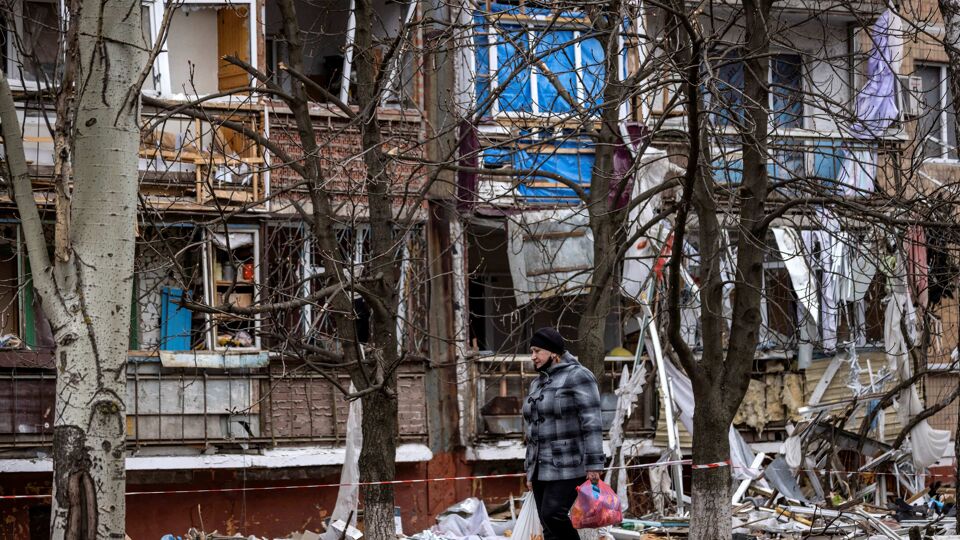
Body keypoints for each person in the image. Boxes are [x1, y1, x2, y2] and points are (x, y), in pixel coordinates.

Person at [522, 327, 605, 540]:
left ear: (553, 352)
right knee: (547, 525)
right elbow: (531, 429)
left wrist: (594, 464)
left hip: (568, 463)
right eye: (531, 351)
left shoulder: (579, 376)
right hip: (540, 466)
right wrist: (530, 470)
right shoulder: (537, 382)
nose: (533, 356)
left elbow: (592, 422)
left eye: (537, 351)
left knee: (553, 515)